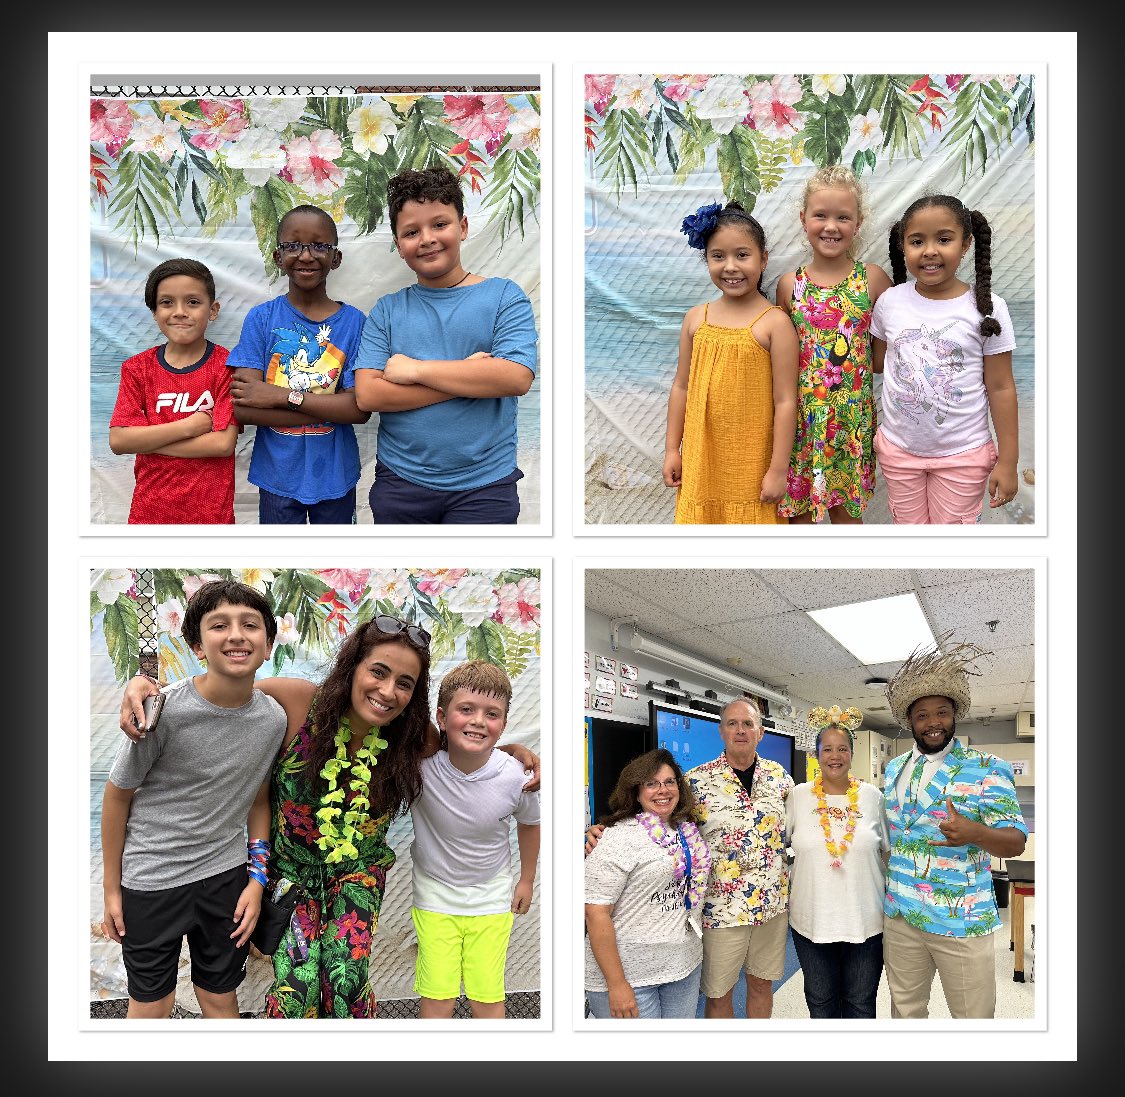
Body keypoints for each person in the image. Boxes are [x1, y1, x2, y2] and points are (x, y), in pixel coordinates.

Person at [117, 619, 540, 1018]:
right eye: (378, 672)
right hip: (291, 876)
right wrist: (147, 687)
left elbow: (467, 746)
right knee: (298, 994)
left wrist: (514, 754)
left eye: (404, 683)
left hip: (358, 875)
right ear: (353, 666)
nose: (388, 691)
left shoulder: (413, 737)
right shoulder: (298, 701)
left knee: (346, 984)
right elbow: (220, 694)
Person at [100, 579, 288, 1017]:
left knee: (220, 998)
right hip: (151, 879)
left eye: (251, 625)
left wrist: (256, 880)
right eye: (219, 625)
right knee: (152, 1004)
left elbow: (257, 798)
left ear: (268, 643)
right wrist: (112, 891)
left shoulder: (273, 718)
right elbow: (117, 796)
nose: (236, 635)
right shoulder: (162, 712)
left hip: (225, 880)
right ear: (197, 645)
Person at [585, 696, 793, 1018]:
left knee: (762, 985)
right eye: (733, 724)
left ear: (760, 732)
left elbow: (798, 828)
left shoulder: (780, 779)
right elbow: (658, 819)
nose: (741, 730)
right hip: (720, 911)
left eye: (748, 724)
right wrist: (602, 830)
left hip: (772, 907)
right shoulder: (696, 782)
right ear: (721, 731)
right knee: (719, 993)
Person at [353, 165, 538, 524]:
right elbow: (369, 396)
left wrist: (416, 371)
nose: (427, 238)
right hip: (401, 483)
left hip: (486, 487)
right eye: (411, 231)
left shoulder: (504, 296)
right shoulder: (387, 311)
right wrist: (471, 376)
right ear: (398, 245)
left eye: (440, 224)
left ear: (463, 227)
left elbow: (515, 378)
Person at [882, 633, 1027, 1018]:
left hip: (959, 918)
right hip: (900, 914)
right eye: (923, 715)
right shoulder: (894, 768)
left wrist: (976, 833)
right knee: (905, 1012)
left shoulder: (986, 768)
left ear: (954, 714)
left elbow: (1015, 843)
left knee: (972, 1020)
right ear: (909, 721)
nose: (933, 723)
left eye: (941, 712)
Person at [870, 194, 1019, 523]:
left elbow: (1001, 387)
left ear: (966, 244)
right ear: (903, 245)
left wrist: (1009, 461)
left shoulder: (988, 309)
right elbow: (879, 363)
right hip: (898, 450)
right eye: (917, 241)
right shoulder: (889, 303)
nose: (930, 251)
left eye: (944, 239)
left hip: (963, 454)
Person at [409, 660, 540, 1019]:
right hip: (434, 895)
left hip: (491, 897)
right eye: (466, 709)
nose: (479, 721)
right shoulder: (419, 768)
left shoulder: (517, 776)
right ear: (441, 716)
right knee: (438, 999)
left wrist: (527, 879)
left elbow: (530, 824)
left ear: (503, 725)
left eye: (491, 713)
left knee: (486, 997)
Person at [225, 204, 371, 524]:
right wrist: (331, 404)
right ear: (279, 257)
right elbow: (244, 407)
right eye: (293, 245)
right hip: (277, 476)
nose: (306, 255)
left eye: (319, 245)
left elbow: (359, 410)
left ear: (336, 258)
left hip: (336, 476)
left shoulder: (355, 323)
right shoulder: (261, 319)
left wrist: (279, 395)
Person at [662, 200, 799, 524]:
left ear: (763, 259)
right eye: (718, 256)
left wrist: (778, 470)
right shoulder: (696, 319)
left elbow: (786, 402)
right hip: (701, 463)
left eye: (742, 255)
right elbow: (681, 387)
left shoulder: (774, 324)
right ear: (706, 259)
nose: (731, 267)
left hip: (753, 466)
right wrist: (671, 449)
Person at [775, 165, 893, 524]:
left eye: (843, 217)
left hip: (850, 422)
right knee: (798, 514)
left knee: (846, 515)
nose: (831, 226)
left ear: (857, 223)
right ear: (803, 219)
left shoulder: (872, 279)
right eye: (820, 216)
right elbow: (783, 358)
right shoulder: (788, 285)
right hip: (801, 422)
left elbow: (881, 357)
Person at [108, 258, 238, 524]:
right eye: (167, 302)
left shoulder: (227, 368)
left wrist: (148, 441)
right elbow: (119, 441)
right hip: (149, 514)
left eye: (193, 302)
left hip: (211, 517)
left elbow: (222, 444)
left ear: (212, 310)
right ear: (154, 312)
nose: (180, 312)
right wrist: (191, 425)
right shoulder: (137, 369)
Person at [584, 748, 710, 1019]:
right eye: (651, 783)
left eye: (668, 782)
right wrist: (616, 984)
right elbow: (595, 913)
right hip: (630, 975)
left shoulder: (687, 830)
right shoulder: (617, 838)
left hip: (683, 966)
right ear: (635, 791)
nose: (662, 790)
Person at [785, 705, 889, 1018]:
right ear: (816, 755)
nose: (835, 755)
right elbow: (777, 845)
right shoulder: (797, 797)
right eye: (827, 748)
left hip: (866, 922)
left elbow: (888, 849)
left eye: (842, 748)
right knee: (821, 1004)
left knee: (860, 1004)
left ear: (852, 754)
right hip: (810, 921)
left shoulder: (872, 797)